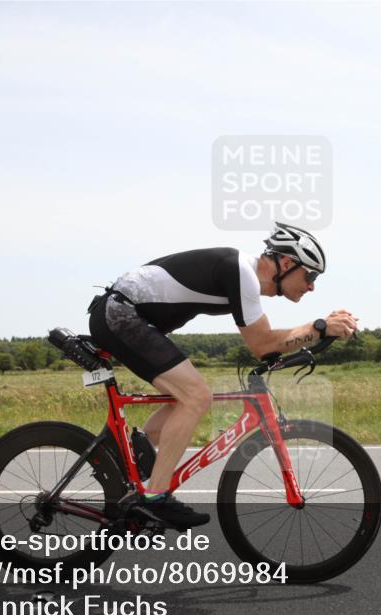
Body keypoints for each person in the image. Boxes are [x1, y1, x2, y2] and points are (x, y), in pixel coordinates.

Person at [88, 223, 359, 529]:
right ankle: (154, 498)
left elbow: (266, 343)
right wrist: (320, 327)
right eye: (310, 276)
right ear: (286, 263)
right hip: (120, 313)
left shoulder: (244, 277)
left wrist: (317, 332)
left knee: (185, 396)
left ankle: (137, 451)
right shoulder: (241, 272)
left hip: (126, 314)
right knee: (196, 396)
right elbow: (262, 344)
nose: (311, 287)